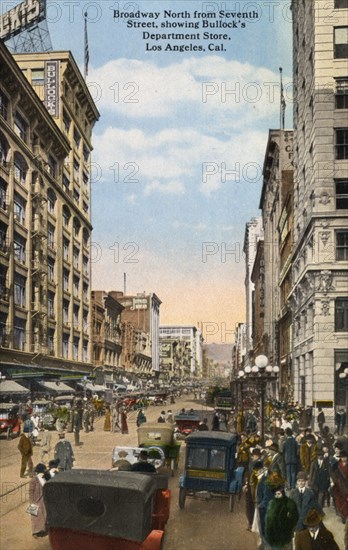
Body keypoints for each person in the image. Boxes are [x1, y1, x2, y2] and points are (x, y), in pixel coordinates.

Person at [265, 481, 299, 550]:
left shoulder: (289, 503)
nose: (277, 496)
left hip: (285, 537)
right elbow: (268, 519)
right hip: (274, 537)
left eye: (279, 494)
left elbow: (294, 517)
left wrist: (287, 525)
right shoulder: (271, 503)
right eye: (276, 494)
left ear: (283, 493)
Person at [28, 463, 49, 538]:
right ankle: (35, 533)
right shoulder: (33, 481)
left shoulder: (44, 478)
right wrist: (32, 502)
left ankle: (42, 531)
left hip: (43, 500)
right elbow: (30, 492)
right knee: (35, 517)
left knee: (44, 516)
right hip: (36, 500)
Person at [331, 450, 348, 523]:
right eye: (342, 457)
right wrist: (334, 482)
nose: (344, 458)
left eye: (345, 457)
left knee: (346, 502)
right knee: (340, 502)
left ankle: (346, 516)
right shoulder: (336, 465)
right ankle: (343, 516)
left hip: (347, 486)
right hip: (339, 486)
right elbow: (333, 474)